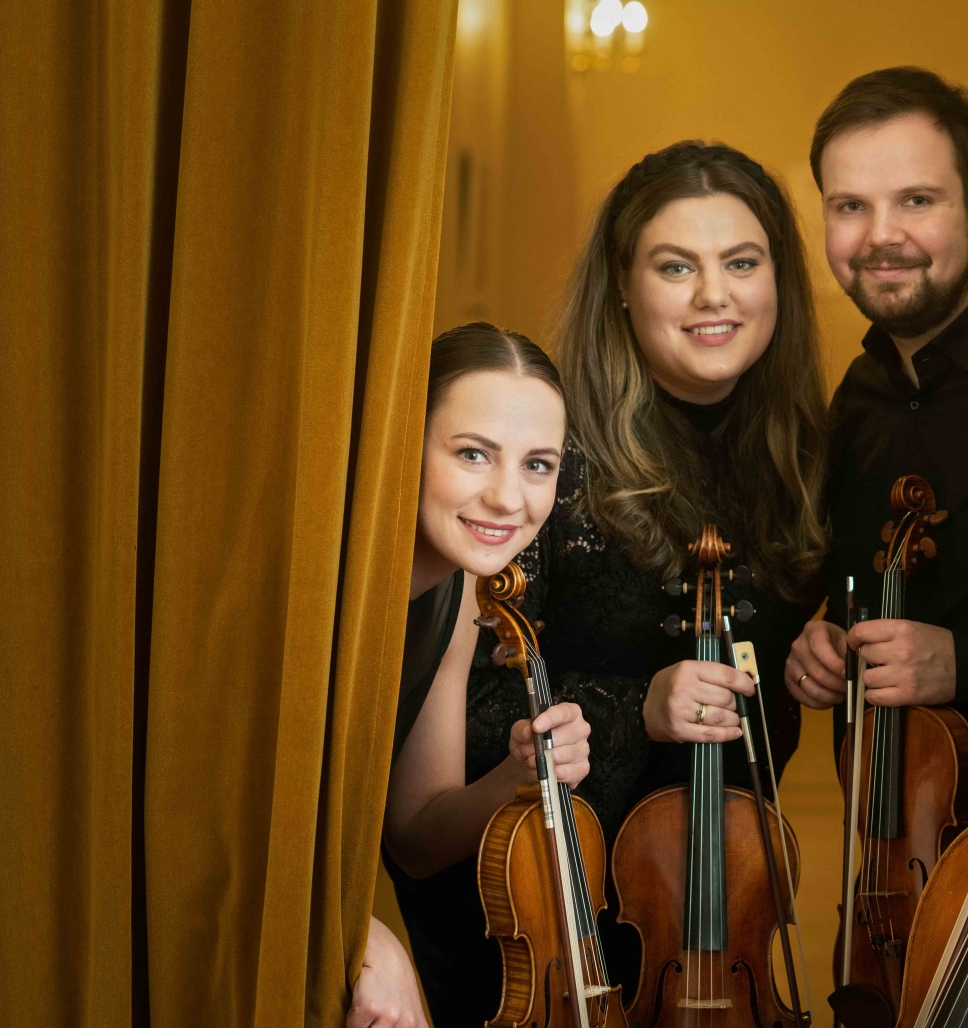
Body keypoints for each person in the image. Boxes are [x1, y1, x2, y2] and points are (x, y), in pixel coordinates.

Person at [462, 141, 829, 1012]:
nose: (715, 295)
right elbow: (470, 717)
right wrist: (639, 707)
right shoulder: (555, 455)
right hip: (567, 919)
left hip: (725, 919)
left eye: (742, 262)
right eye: (677, 266)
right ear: (623, 284)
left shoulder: (805, 455)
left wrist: (820, 654)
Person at [785, 67, 968, 749]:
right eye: (850, 206)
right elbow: (840, 588)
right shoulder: (858, 396)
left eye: (916, 200)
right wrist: (819, 644)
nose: (880, 236)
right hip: (891, 832)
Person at [351, 322, 591, 1028]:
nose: (507, 499)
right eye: (473, 454)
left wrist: (512, 779)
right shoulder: (327, 596)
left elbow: (417, 840)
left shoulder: (458, 596)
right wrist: (366, 937)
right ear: (406, 445)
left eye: (537, 465)